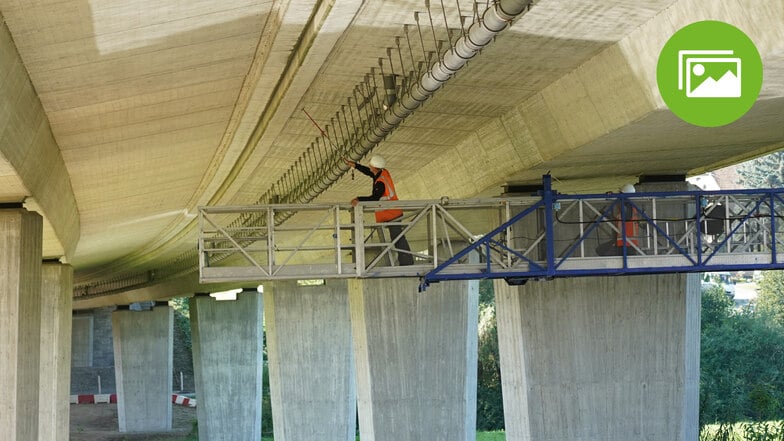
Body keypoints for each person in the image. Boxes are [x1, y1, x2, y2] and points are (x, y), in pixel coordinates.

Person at [345, 155, 414, 265]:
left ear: (374, 167)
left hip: (391, 213)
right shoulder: (383, 173)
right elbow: (369, 172)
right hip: (394, 211)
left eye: (371, 165)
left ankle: (407, 262)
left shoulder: (380, 183)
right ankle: (405, 261)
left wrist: (358, 199)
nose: (369, 166)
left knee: (397, 238)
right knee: (397, 237)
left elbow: (374, 198)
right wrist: (356, 166)